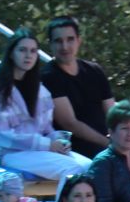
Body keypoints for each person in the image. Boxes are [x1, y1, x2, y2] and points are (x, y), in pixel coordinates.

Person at [0, 29, 90, 184]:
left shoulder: (39, 89)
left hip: (38, 151)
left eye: (33, 51)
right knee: (74, 170)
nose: (28, 55)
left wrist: (58, 141)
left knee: (90, 166)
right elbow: (2, 135)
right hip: (12, 153)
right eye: (22, 50)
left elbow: (46, 129)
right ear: (11, 54)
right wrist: (47, 144)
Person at [38, 15, 115, 159]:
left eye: (70, 39)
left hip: (108, 146)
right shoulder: (49, 76)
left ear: (79, 40)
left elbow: (113, 113)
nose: (65, 47)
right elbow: (70, 123)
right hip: (74, 151)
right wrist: (110, 144)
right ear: (50, 45)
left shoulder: (95, 70)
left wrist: (123, 140)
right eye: (58, 41)